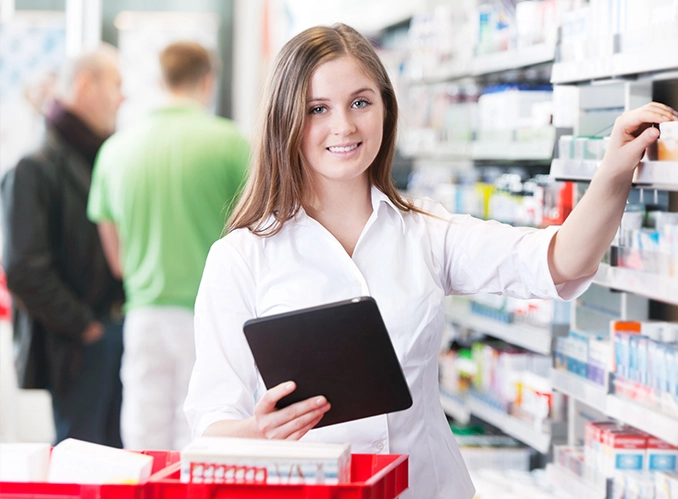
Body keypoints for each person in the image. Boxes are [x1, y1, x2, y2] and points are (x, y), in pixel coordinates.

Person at [183, 23, 678, 498]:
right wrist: (257, 431)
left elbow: (558, 262)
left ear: (385, 109)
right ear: (285, 121)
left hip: (428, 487)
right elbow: (211, 422)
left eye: (361, 102)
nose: (344, 126)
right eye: (316, 108)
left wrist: (614, 169)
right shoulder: (241, 257)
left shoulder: (426, 231)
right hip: (311, 490)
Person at [87, 40, 250, 451]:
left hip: (144, 313)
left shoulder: (115, 150)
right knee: (201, 436)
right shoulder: (231, 143)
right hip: (212, 316)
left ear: (160, 80)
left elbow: (116, 256)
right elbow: (256, 231)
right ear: (207, 81)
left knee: (143, 437)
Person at [1, 44, 125, 447]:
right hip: (76, 344)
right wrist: (85, 326)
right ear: (87, 84)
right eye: (116, 84)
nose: (123, 96)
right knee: (87, 464)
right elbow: (23, 267)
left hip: (112, 332)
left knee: (117, 464)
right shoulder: (35, 166)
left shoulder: (101, 158)